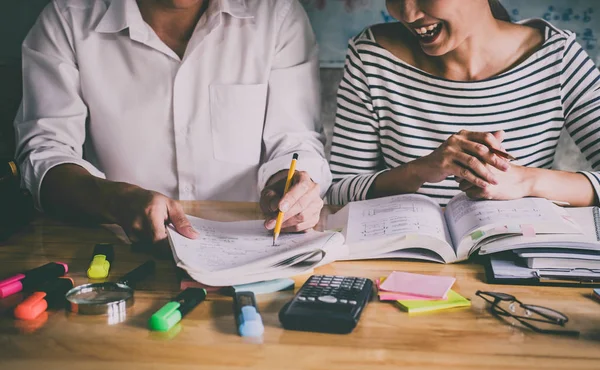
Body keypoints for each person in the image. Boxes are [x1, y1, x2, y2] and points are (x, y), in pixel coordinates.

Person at [15, 0, 331, 243]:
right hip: (117, 250)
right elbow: (44, 154)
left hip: (251, 250)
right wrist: (113, 199)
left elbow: (296, 141)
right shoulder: (68, 18)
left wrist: (292, 188)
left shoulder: (275, 14)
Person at [328, 0, 600, 207]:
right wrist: (418, 170)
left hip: (520, 267)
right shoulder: (371, 57)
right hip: (404, 265)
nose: (408, 14)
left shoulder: (557, 57)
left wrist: (527, 180)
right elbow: (338, 192)